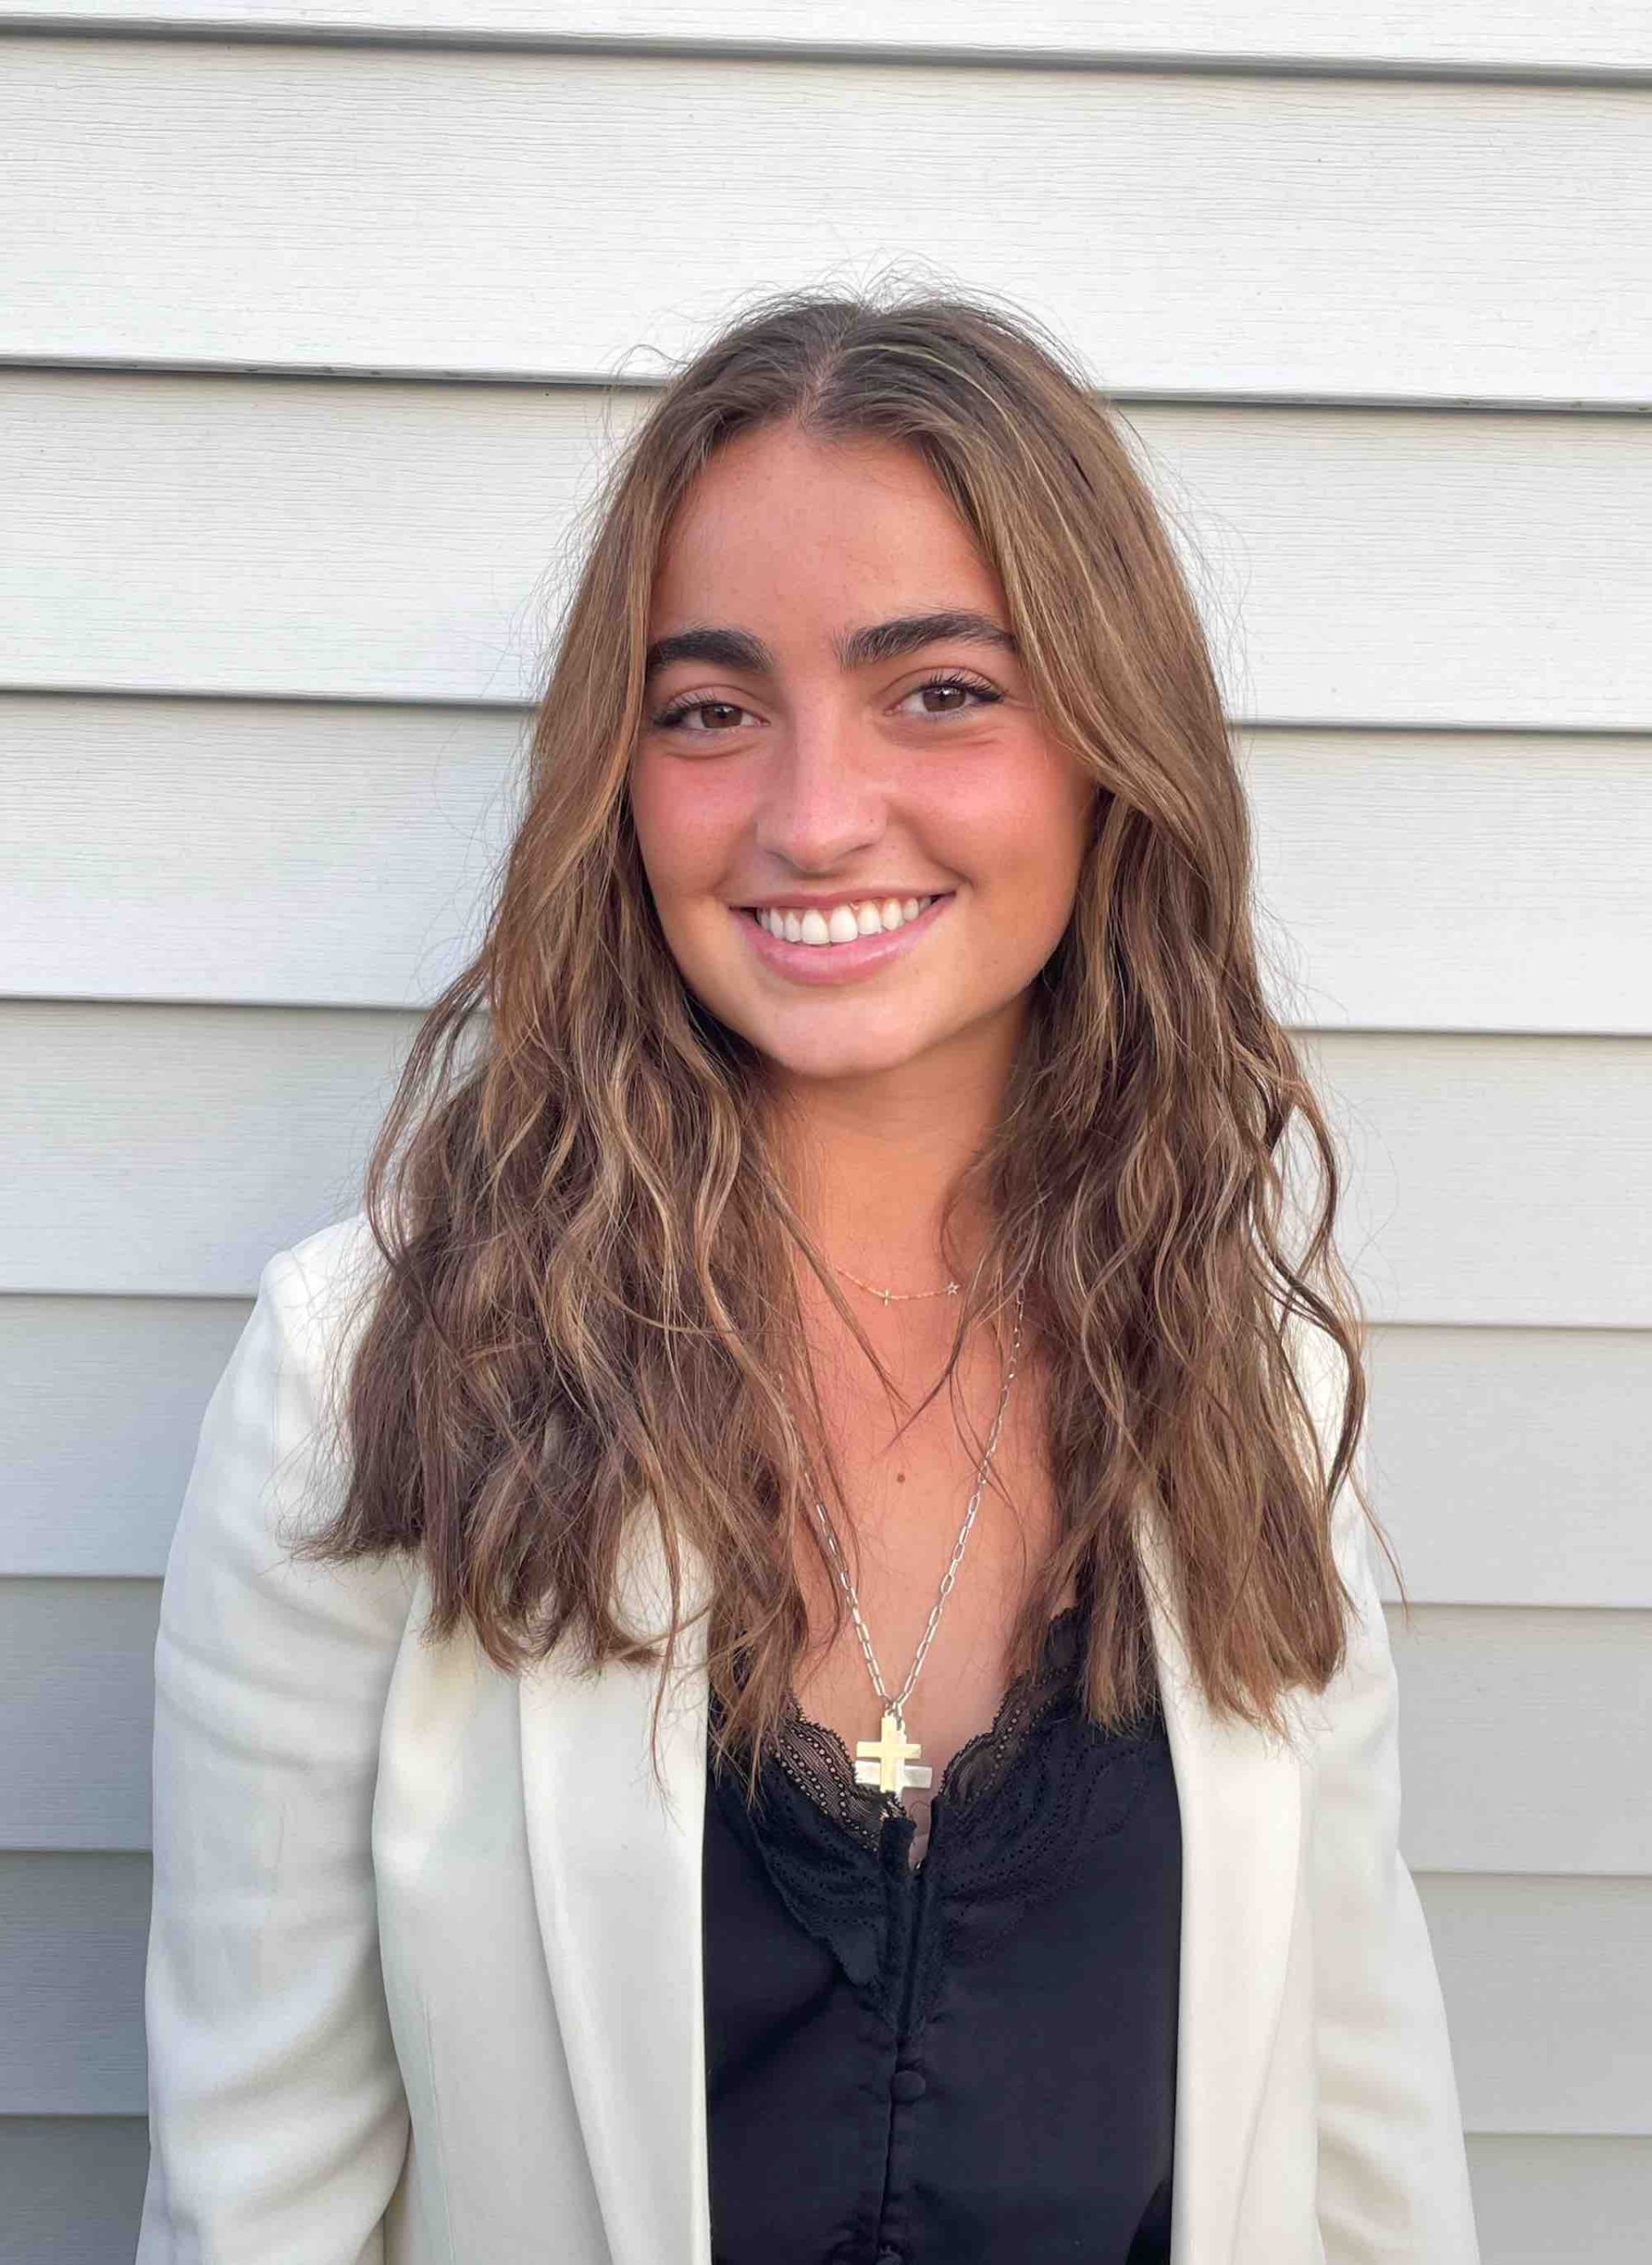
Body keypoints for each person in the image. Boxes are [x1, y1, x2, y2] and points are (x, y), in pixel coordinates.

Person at [136, 287, 1480, 2263]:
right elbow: (255, 2199)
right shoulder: (371, 1382)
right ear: (617, 775)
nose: (815, 815)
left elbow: (1363, 2153)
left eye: (938, 690)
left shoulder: (1251, 1382)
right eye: (710, 710)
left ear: (1109, 748)